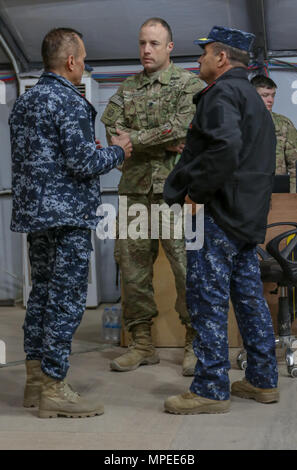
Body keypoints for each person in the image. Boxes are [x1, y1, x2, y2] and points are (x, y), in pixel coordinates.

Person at [9, 27, 132, 418]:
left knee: (41, 297)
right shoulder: (69, 101)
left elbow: (48, 156)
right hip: (67, 216)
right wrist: (118, 151)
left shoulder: (26, 102)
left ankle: (35, 381)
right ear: (72, 61)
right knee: (66, 301)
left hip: (37, 215)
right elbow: (83, 163)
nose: (84, 65)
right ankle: (54, 388)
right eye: (83, 57)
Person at [163, 26, 279, 415]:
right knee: (249, 299)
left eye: (204, 54)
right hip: (245, 220)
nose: (199, 61)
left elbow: (226, 149)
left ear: (222, 59)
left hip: (216, 217)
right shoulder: (253, 99)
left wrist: (196, 194)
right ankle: (263, 380)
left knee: (206, 301)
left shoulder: (222, 94)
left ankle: (211, 388)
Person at [101, 18, 205, 375]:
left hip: (177, 193)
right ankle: (142, 344)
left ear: (170, 47)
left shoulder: (189, 84)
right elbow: (111, 126)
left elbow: (183, 127)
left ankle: (196, 342)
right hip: (133, 191)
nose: (147, 50)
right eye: (143, 43)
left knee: (186, 270)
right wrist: (157, 142)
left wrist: (136, 141)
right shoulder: (127, 87)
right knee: (133, 270)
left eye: (154, 43)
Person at [251, 74, 297, 193]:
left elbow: (295, 166)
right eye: (265, 95)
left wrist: (293, 198)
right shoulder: (238, 124)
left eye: (273, 95)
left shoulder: (283, 124)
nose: (270, 100)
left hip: (277, 192)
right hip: (246, 192)